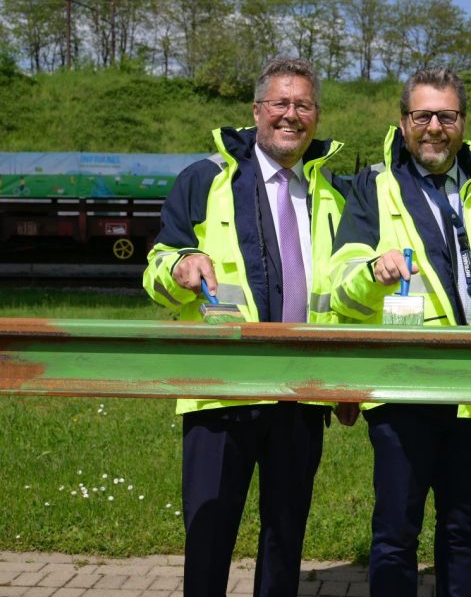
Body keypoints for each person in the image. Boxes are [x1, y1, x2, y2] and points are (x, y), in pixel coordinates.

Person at [142, 57, 353, 597]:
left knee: (286, 539)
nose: (290, 115)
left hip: (301, 393)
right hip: (221, 390)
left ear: (316, 115)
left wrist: (347, 381)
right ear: (257, 111)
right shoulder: (204, 179)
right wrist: (181, 267)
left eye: (302, 105)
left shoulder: (333, 193)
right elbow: (157, 265)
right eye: (279, 104)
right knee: (209, 538)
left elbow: (346, 292)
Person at [329, 67, 471, 597]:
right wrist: (375, 273)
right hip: (404, 389)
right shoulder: (372, 188)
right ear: (403, 122)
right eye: (423, 116)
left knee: (463, 531)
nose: (435, 127)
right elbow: (340, 286)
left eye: (447, 115)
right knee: (396, 533)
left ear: (463, 122)